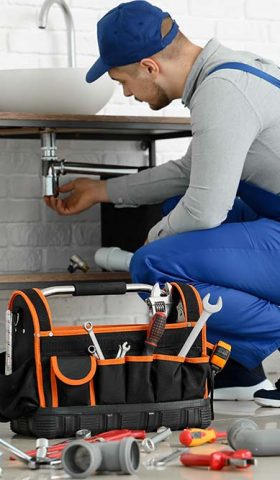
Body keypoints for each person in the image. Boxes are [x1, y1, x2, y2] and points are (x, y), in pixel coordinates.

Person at [45, 1, 280, 406]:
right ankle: (244, 373)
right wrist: (103, 191)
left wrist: (151, 243)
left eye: (124, 81)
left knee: (151, 266)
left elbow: (207, 210)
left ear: (150, 67)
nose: (126, 93)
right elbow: (192, 173)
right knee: (176, 205)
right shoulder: (234, 70)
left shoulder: (222, 93)